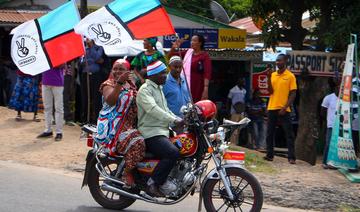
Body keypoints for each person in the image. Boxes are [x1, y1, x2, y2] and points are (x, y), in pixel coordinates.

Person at [94, 59, 145, 186]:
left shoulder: (131, 86)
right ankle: (126, 173)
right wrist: (119, 82)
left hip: (129, 126)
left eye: (121, 69)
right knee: (138, 142)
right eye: (115, 68)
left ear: (128, 71)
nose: (117, 71)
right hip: (113, 128)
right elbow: (111, 100)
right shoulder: (108, 84)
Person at [136, 60, 183, 197]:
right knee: (172, 152)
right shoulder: (145, 90)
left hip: (162, 130)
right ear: (153, 75)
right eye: (163, 73)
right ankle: (153, 183)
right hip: (150, 132)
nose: (165, 76)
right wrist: (174, 120)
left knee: (183, 149)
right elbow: (153, 109)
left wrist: (179, 119)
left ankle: (170, 180)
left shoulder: (158, 89)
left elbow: (165, 109)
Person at [265, 54, 297, 164]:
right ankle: (269, 155)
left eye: (280, 60)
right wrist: (268, 78)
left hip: (284, 109)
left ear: (285, 61)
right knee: (270, 133)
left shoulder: (290, 76)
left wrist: (285, 107)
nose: (277, 62)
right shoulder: (272, 75)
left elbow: (293, 94)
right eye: (276, 61)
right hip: (272, 107)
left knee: (289, 134)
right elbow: (270, 92)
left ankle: (291, 157)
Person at [169, 34, 212, 102]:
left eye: (194, 40)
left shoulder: (204, 56)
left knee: (196, 104)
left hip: (197, 85)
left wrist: (205, 88)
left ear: (200, 43)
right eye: (191, 40)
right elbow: (171, 56)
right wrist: (174, 47)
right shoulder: (188, 52)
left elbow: (207, 73)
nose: (191, 42)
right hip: (184, 83)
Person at [37, 66, 65, 141]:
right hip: (45, 81)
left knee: (58, 108)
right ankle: (48, 130)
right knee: (47, 108)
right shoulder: (45, 54)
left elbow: (63, 65)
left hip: (57, 82)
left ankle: (59, 132)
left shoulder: (60, 54)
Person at [80, 38, 104, 124]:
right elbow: (82, 61)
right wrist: (94, 60)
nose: (87, 40)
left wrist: (92, 47)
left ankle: (95, 119)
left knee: (96, 97)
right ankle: (85, 119)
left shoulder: (99, 48)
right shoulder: (84, 49)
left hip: (95, 75)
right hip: (85, 75)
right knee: (85, 97)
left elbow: (98, 57)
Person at [321, 80, 339, 168]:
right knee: (328, 143)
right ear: (335, 87)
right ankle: (325, 162)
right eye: (338, 86)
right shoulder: (328, 98)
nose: (340, 88)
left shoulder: (346, 99)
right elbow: (323, 112)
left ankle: (336, 163)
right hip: (331, 125)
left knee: (339, 145)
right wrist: (328, 121)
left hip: (342, 126)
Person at [227, 78, 247, 145]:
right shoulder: (233, 90)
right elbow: (228, 101)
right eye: (242, 81)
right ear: (239, 82)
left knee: (239, 128)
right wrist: (228, 111)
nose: (244, 83)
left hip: (241, 111)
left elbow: (243, 101)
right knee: (234, 128)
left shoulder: (244, 91)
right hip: (234, 111)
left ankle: (237, 142)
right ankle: (232, 143)